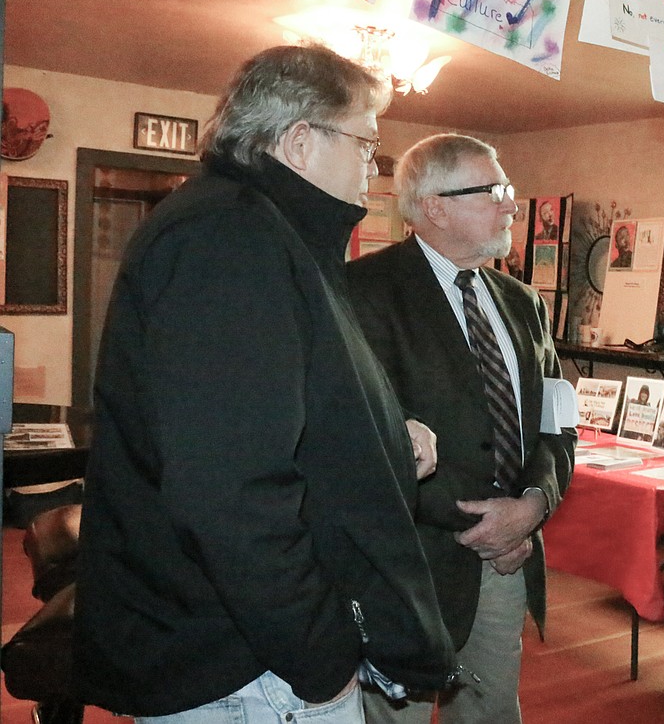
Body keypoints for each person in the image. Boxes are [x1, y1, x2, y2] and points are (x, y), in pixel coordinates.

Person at [74, 45, 457, 722]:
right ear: (301, 141)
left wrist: (386, 440)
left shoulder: (258, 230)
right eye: (367, 144)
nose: (374, 171)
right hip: (243, 666)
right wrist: (320, 656)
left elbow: (278, 418)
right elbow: (230, 491)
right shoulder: (228, 238)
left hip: (243, 653)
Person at [347, 133, 576, 724]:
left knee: (492, 709)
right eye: (493, 190)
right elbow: (358, 436)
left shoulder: (524, 304)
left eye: (510, 190)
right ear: (434, 206)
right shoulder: (362, 292)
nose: (511, 205)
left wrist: (532, 506)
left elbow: (557, 422)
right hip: (410, 563)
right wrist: (478, 521)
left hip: (505, 557)